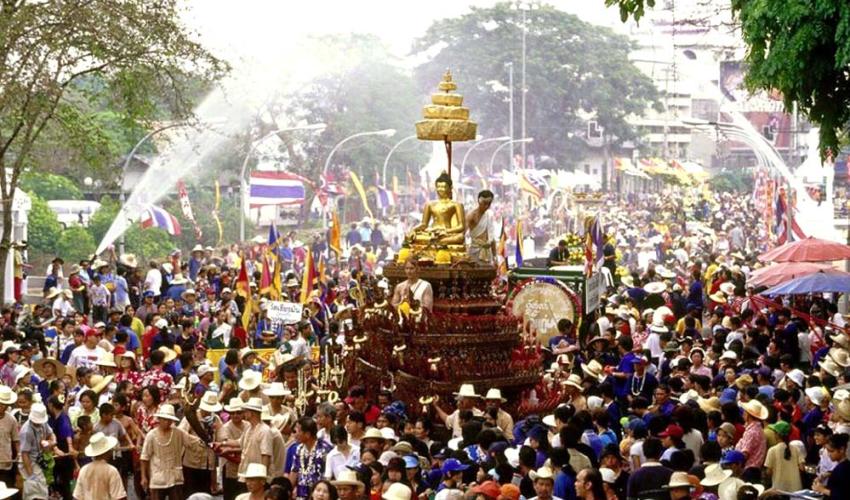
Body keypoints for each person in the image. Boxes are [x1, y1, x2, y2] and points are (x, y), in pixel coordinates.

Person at [140, 403, 194, 500]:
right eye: (165, 419)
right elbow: (145, 457)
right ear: (159, 419)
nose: (167, 422)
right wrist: (143, 477)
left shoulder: (179, 433)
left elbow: (192, 443)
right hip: (158, 478)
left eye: (169, 420)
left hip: (175, 477)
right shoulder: (151, 435)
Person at [73, 432, 126, 500]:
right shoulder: (111, 471)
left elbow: (77, 497)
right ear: (108, 451)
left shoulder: (84, 470)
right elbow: (119, 497)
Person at [19, 403, 56, 499]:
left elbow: (51, 434)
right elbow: (24, 454)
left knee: (42, 488)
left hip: (40, 457)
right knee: (34, 488)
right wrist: (31, 474)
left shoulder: (43, 423)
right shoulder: (26, 431)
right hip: (29, 461)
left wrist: (52, 442)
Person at [814, 433, 850, 499]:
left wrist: (822, 489)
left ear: (841, 449)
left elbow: (843, 495)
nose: (829, 454)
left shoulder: (843, 469)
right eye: (827, 451)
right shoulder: (841, 466)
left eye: (831, 451)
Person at [466, 190, 496, 265]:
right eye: (485, 203)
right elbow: (462, 234)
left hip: (488, 253)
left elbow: (491, 238)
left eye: (489, 204)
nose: (487, 206)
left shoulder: (489, 215)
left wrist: (495, 256)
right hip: (475, 252)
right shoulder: (471, 216)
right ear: (479, 201)